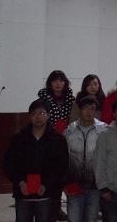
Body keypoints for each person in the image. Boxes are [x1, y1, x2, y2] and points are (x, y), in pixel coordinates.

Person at [3, 99, 69, 222]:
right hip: (23, 194)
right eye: (34, 113)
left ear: (48, 115)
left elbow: (62, 167)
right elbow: (8, 164)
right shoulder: (19, 138)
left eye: (42, 113)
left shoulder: (57, 139)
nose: (38, 117)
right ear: (29, 116)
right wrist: (20, 182)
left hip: (47, 195)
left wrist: (46, 184)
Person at [36, 69, 74, 221]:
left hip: (67, 139)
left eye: (61, 80)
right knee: (48, 174)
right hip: (48, 140)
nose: (58, 83)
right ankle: (46, 208)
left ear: (65, 83)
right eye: (55, 80)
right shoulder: (43, 98)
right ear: (50, 83)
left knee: (62, 175)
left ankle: (57, 208)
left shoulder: (71, 99)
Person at [64, 95, 107, 222]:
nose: (89, 112)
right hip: (74, 184)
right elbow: (64, 159)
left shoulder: (104, 130)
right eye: (85, 108)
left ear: (96, 111)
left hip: (95, 185)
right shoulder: (70, 130)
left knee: (91, 219)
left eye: (92, 108)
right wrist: (64, 183)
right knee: (74, 219)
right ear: (80, 110)